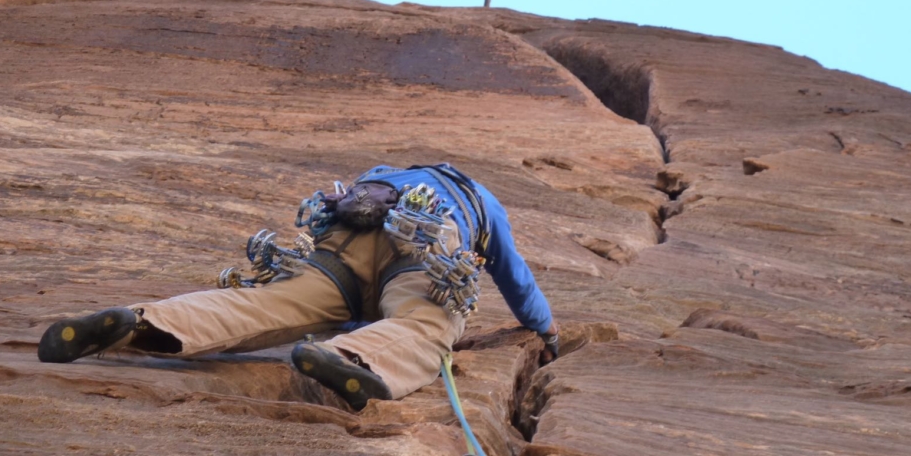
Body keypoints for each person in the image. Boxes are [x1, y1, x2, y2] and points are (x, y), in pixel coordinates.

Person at [37, 163, 559, 410]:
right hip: (422, 244)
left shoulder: (384, 175)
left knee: (266, 303)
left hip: (345, 240)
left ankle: (144, 323)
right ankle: (353, 360)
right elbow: (515, 279)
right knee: (424, 323)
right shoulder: (481, 203)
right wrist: (545, 330)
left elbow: (347, 206)